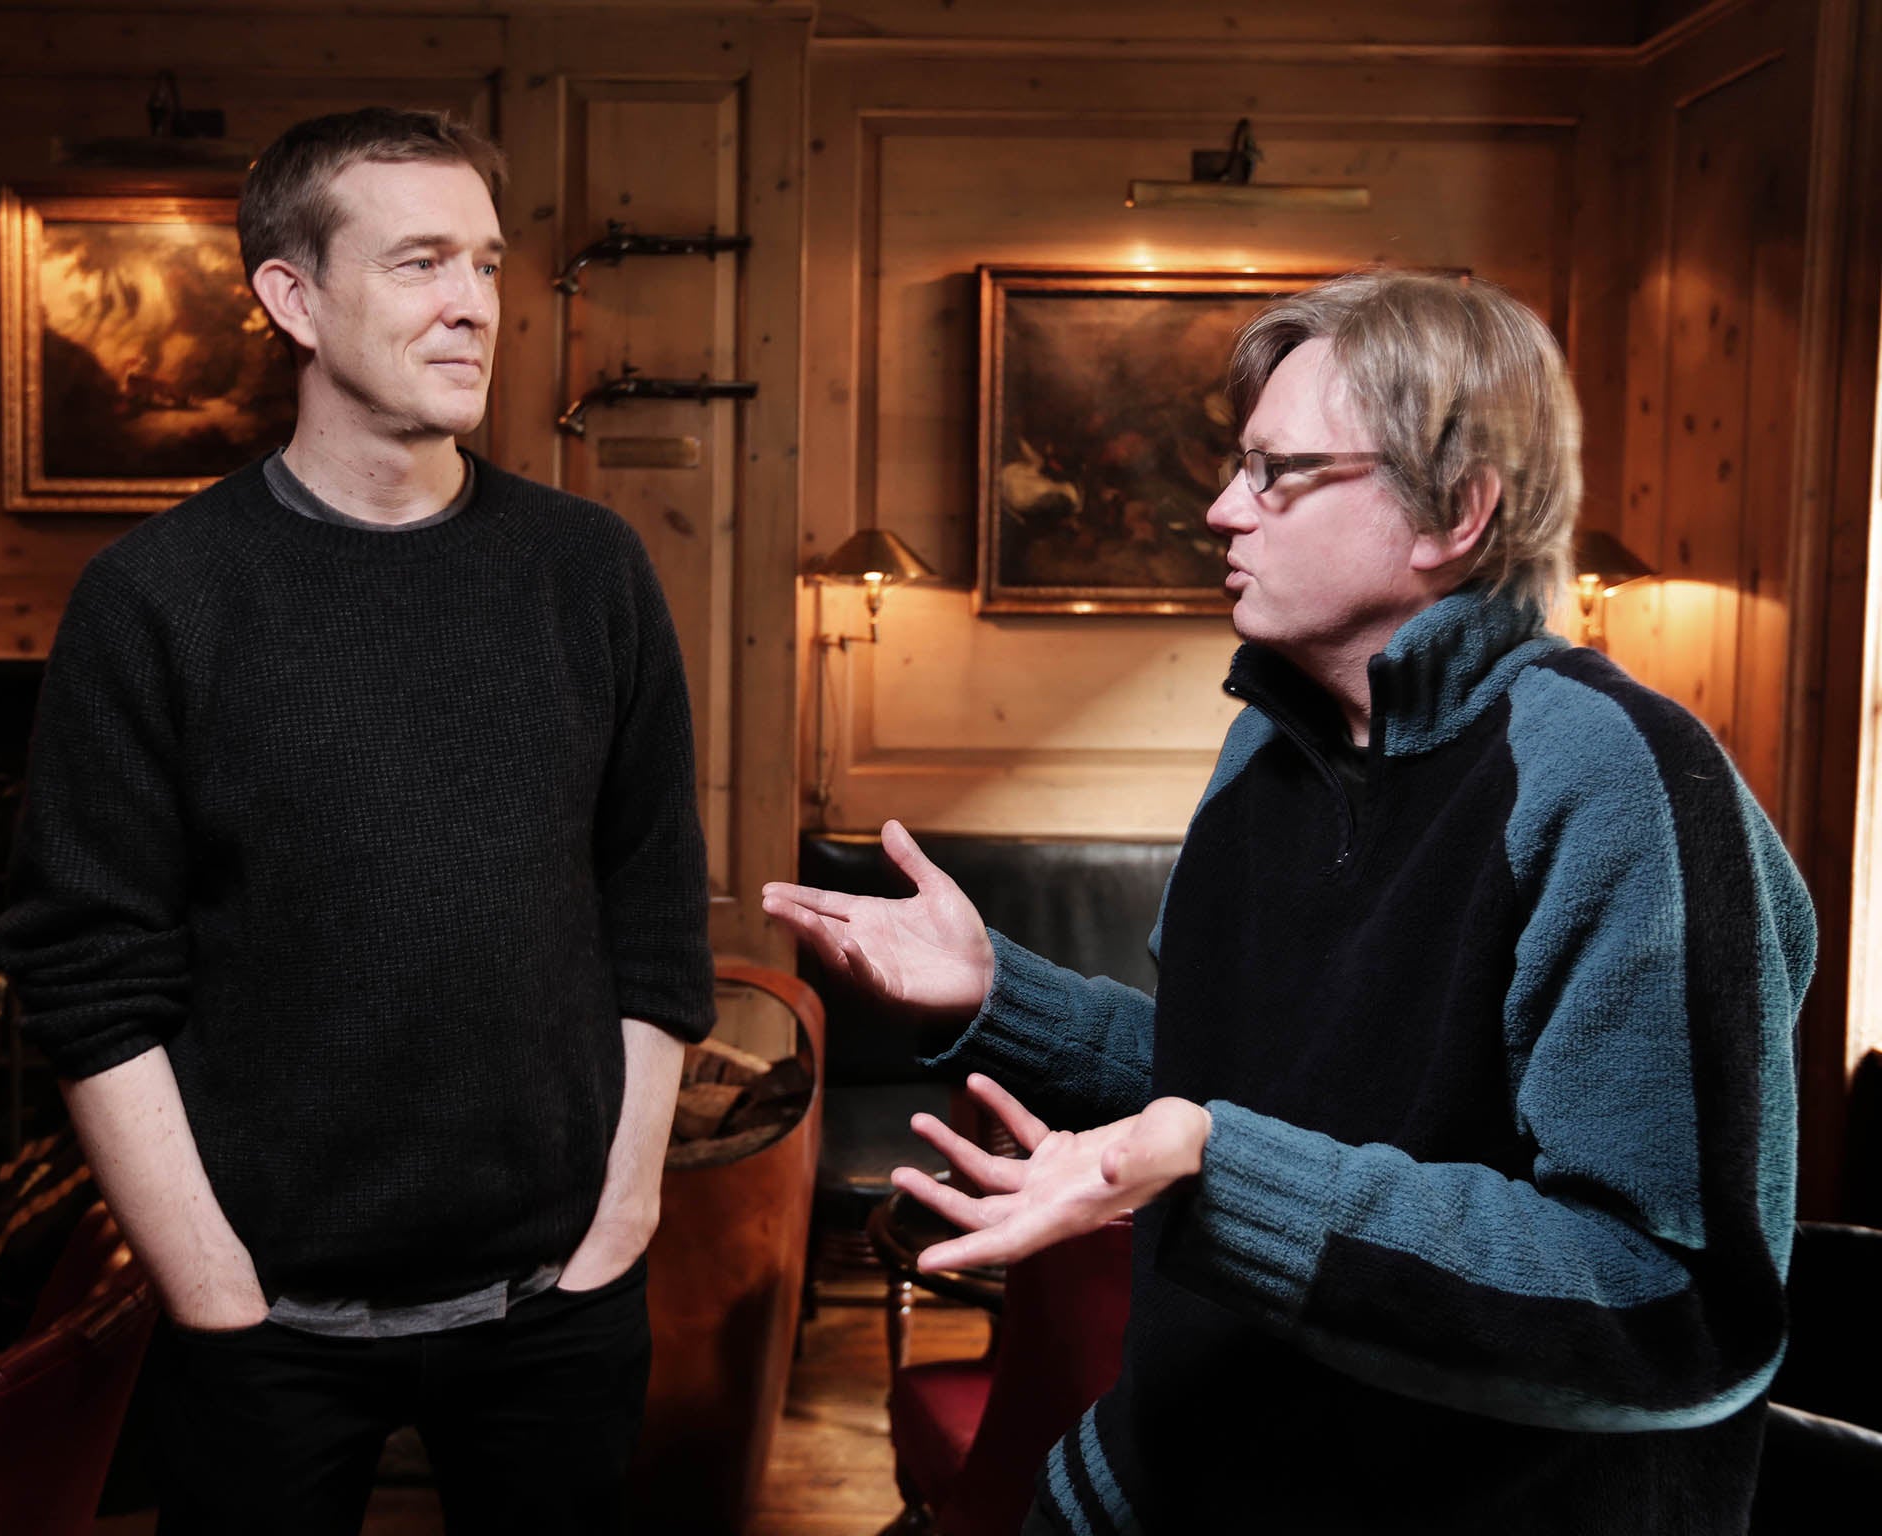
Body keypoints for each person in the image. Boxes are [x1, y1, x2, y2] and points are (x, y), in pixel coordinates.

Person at [765, 269, 1815, 1534]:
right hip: (1153, 1484)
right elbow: (1243, 1090)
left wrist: (1213, 1173)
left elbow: (1666, 1304)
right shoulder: (1269, 751)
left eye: (1276, 472)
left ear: (1454, 513)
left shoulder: (1619, 784)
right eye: (1231, 466)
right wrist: (1001, 995)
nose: (1218, 511)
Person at [0, 107, 714, 1535]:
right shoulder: (157, 600)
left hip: (552, 1309)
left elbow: (654, 909)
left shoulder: (590, 572)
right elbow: (85, 970)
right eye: (421, 262)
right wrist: (214, 1293)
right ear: (291, 298)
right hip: (265, 1331)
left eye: (489, 265)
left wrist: (621, 1219)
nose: (474, 306)